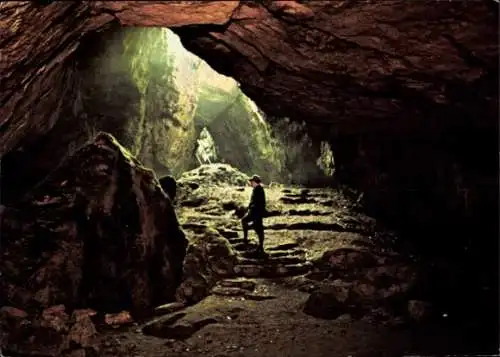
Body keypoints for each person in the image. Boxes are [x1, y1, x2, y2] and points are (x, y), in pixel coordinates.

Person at [241, 174, 266, 254]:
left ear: (255, 182)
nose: (251, 183)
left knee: (258, 228)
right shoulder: (256, 189)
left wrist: (252, 208)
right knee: (245, 221)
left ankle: (260, 247)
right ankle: (246, 239)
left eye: (252, 181)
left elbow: (260, 203)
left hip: (256, 212)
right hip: (253, 211)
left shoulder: (259, 189)